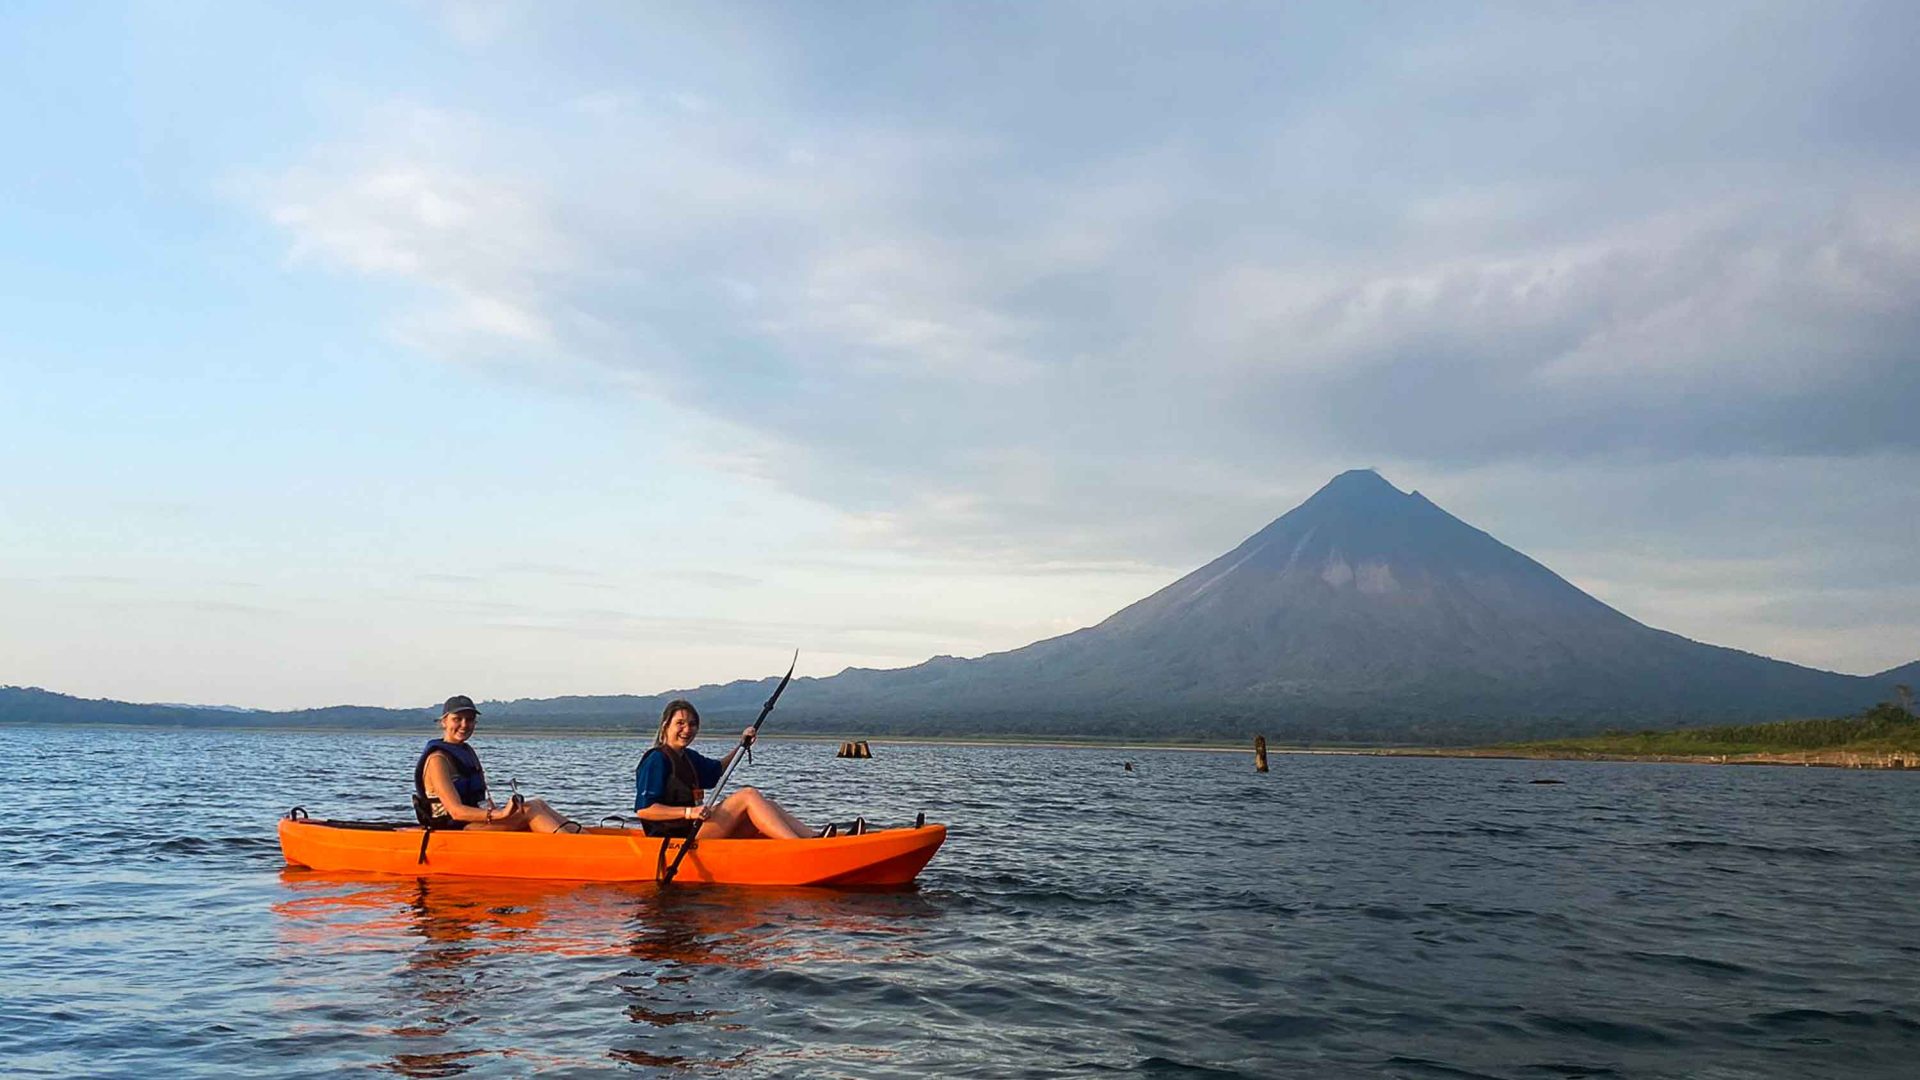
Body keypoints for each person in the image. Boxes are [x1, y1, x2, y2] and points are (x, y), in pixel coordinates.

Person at [633, 698, 813, 839]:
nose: (687, 729)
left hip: (697, 829)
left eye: (692, 724)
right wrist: (689, 812)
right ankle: (799, 848)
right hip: (676, 838)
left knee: (769, 806)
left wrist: (742, 745)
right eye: (680, 723)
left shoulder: (689, 757)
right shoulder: (656, 759)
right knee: (748, 795)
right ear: (666, 726)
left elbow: (717, 770)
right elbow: (645, 810)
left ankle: (815, 839)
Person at [413, 695, 576, 832]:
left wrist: (506, 811)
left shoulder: (466, 751)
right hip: (454, 829)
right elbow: (456, 812)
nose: (464, 725)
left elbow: (484, 801)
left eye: (469, 720)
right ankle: (575, 848)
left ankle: (586, 838)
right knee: (530, 810)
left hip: (474, 824)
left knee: (537, 803)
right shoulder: (437, 760)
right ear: (444, 722)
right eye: (457, 719)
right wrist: (502, 814)